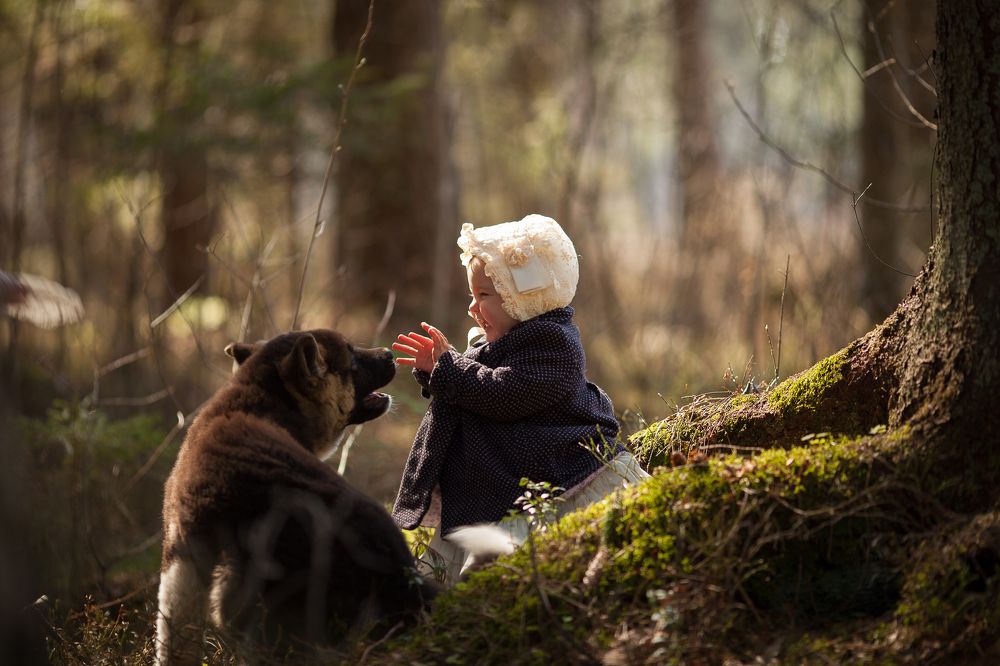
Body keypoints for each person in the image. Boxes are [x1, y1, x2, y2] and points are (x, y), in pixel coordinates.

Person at [391, 214, 648, 584]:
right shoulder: (496, 342)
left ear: (523, 298)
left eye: (484, 295)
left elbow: (504, 392)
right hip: (500, 475)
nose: (471, 307)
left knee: (513, 568)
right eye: (471, 295)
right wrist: (438, 368)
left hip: (553, 470)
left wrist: (449, 370)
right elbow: (476, 381)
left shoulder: (554, 346)